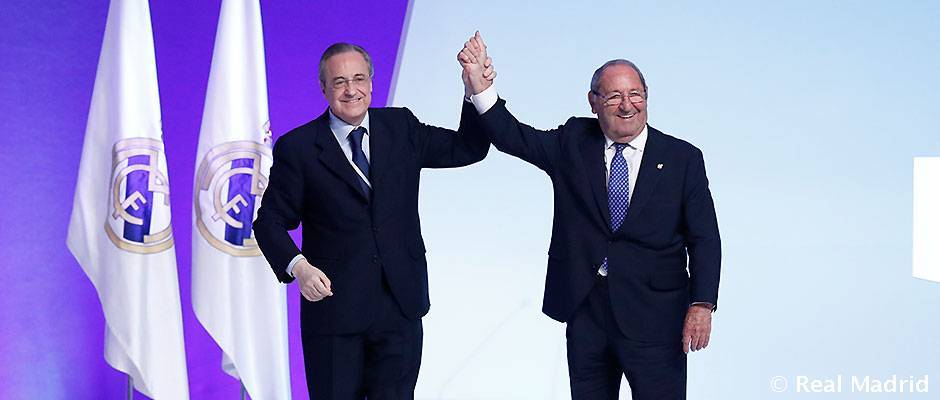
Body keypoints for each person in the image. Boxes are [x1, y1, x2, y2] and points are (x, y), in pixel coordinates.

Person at [458, 33, 721, 399]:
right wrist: (480, 86)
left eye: (635, 94)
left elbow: (705, 238)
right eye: (613, 96)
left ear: (647, 97)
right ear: (593, 102)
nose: (627, 105)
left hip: (656, 316)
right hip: (587, 313)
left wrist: (702, 304)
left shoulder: (682, 158)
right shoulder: (574, 141)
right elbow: (513, 137)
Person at [254, 42, 494, 399]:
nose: (351, 90)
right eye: (339, 82)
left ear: (371, 83)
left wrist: (475, 90)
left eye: (359, 79)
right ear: (323, 88)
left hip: (400, 306)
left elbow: (468, 148)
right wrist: (299, 267)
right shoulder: (299, 148)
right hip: (334, 313)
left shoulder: (401, 127)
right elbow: (269, 222)